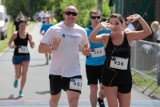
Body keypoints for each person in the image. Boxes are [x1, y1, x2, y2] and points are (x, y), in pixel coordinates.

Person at [88, 13, 152, 107]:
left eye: (117, 23)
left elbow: (148, 32)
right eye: (111, 23)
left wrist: (140, 18)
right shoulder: (106, 37)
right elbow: (91, 38)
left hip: (125, 77)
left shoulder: (129, 36)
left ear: (122, 24)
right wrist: (100, 26)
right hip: (109, 77)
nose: (114, 26)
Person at [38, 5, 90, 107]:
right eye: (68, 13)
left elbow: (86, 46)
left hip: (74, 72)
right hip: (56, 72)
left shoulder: (81, 31)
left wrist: (86, 51)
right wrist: (52, 47)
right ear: (63, 15)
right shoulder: (54, 29)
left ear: (77, 16)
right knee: (54, 101)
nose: (71, 15)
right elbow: (40, 49)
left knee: (73, 101)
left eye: (74, 13)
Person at [85, 10, 110, 107]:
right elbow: (81, 47)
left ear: (101, 18)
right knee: (93, 88)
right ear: (90, 18)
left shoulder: (107, 30)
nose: (96, 19)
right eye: (93, 17)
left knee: (104, 89)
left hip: (104, 64)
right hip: (90, 64)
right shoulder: (86, 31)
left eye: (98, 17)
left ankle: (101, 99)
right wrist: (85, 51)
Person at [8, 19, 35, 97]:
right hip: (17, 56)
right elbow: (9, 43)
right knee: (18, 75)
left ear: (26, 26)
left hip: (26, 56)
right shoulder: (15, 34)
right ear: (18, 26)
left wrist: (33, 44)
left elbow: (32, 46)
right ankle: (16, 79)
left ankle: (21, 90)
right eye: (21, 26)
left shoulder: (28, 35)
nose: (23, 27)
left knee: (24, 74)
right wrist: (11, 46)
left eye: (24, 25)